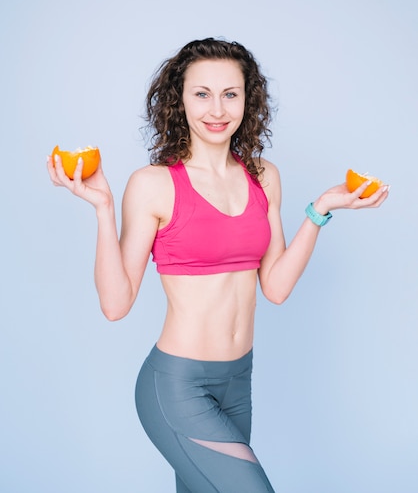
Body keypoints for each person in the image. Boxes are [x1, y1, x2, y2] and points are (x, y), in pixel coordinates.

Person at [47, 38, 389, 492]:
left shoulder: (264, 176)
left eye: (231, 93)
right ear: (179, 100)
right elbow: (115, 304)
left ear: (248, 100)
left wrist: (321, 211)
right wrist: (104, 210)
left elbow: (277, 287)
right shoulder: (153, 185)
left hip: (238, 382)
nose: (217, 109)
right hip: (177, 386)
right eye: (201, 93)